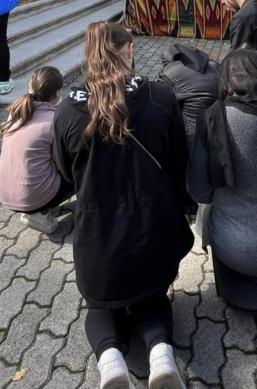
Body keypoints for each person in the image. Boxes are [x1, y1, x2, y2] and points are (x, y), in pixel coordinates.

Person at [53, 23, 192, 389]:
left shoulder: (66, 110)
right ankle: (161, 355)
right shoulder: (161, 96)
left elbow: (67, 174)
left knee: (100, 306)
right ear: (129, 51)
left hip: (98, 242)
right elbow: (179, 165)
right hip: (154, 233)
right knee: (152, 297)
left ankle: (111, 364)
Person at [187, 50, 257, 310]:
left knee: (205, 209)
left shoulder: (212, 119)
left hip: (234, 249)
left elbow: (199, 191)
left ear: (225, 82)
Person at [0, 67, 74, 234]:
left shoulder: (16, 111)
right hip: (31, 197)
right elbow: (62, 165)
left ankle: (46, 207)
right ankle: (40, 213)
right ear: (58, 93)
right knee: (78, 171)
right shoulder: (53, 120)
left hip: (5, 193)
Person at [157, 43, 219, 153]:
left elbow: (162, 104)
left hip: (193, 135)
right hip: (220, 127)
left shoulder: (170, 73)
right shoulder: (214, 64)